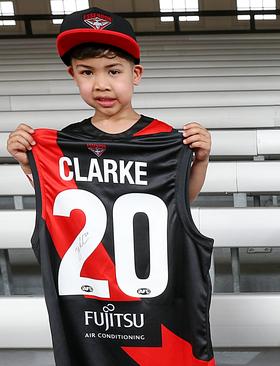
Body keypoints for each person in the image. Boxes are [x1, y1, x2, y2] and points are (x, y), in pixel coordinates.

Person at [5, 7, 215, 366]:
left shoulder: (164, 140)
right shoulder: (63, 144)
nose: (101, 84)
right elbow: (57, 206)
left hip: (154, 303)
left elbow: (178, 204)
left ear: (135, 75)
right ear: (73, 75)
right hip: (90, 307)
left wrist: (200, 160)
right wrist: (29, 164)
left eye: (113, 71)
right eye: (87, 72)